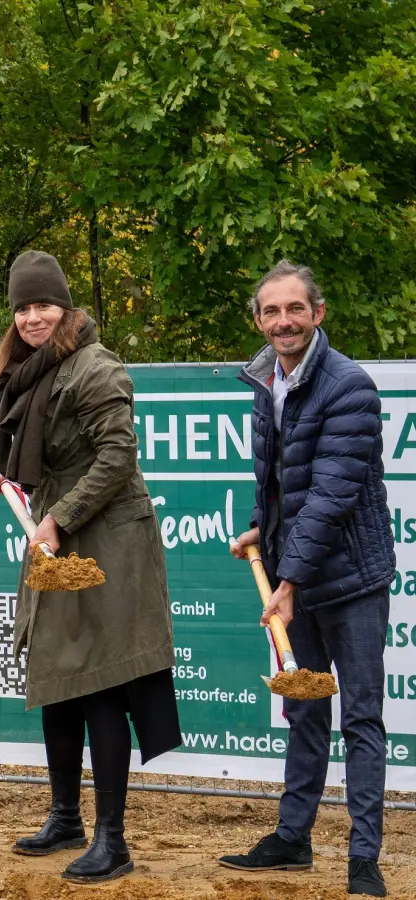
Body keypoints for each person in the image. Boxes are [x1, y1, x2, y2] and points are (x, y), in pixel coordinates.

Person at [0, 250, 180, 885]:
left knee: (99, 679)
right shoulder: (30, 370)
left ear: (65, 308)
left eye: (43, 304)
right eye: (22, 307)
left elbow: (118, 455)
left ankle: (112, 840)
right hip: (59, 525)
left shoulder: (95, 366)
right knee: (55, 671)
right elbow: (46, 456)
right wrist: (17, 488)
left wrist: (58, 517)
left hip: (109, 537)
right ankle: (65, 816)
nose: (32, 316)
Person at [218, 261, 394, 898]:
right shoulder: (265, 381)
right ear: (259, 321)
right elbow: (281, 483)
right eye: (272, 312)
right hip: (300, 574)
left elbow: (331, 494)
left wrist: (286, 582)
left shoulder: (351, 386)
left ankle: (364, 858)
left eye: (295, 309)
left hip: (351, 581)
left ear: (317, 314)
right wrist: (260, 529)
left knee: (362, 720)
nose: (284, 322)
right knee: (303, 712)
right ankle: (293, 839)